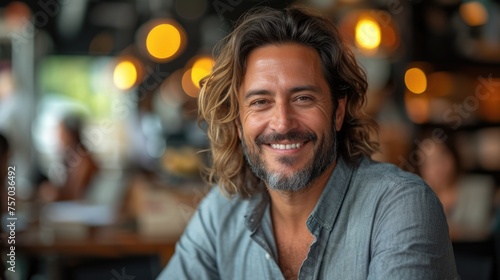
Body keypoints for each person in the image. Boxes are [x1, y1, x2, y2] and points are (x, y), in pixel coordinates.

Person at [158, 6, 458, 279]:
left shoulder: (399, 205)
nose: (282, 123)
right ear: (238, 122)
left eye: (303, 98)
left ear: (338, 112)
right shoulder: (220, 214)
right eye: (261, 102)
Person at [37, 114, 99, 202]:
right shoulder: (71, 157)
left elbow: (74, 195)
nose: (57, 138)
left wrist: (53, 193)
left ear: (70, 134)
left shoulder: (83, 160)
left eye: (60, 133)